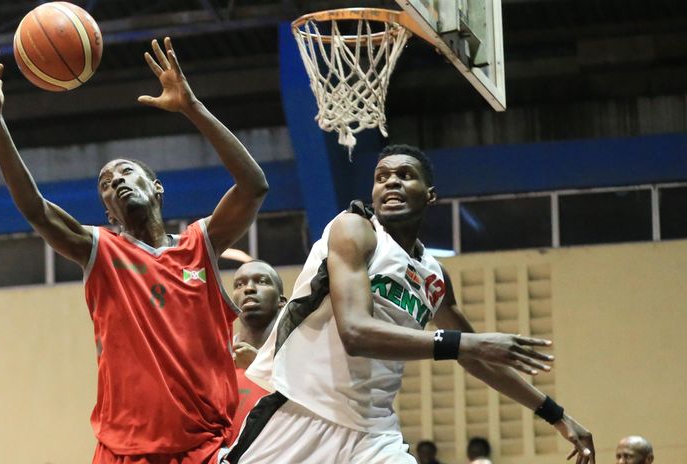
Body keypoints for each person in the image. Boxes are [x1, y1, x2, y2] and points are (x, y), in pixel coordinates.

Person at [0, 35, 268, 463]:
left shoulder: (199, 245)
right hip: (124, 453)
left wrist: (192, 107)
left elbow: (254, 186)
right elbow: (37, 211)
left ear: (156, 188)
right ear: (108, 212)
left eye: (127, 172)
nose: (115, 180)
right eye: (105, 183)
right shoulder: (100, 250)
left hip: (203, 449)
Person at [225, 145, 595, 464]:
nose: (391, 182)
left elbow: (476, 358)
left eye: (405, 175)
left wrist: (557, 416)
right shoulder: (355, 230)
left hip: (372, 434)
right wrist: (467, 343)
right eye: (382, 176)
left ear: (429, 194)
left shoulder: (434, 277)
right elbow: (355, 332)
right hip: (299, 412)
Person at [229, 260, 287, 440]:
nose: (249, 289)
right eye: (240, 284)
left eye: (261, 281)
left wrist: (258, 366)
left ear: (281, 301)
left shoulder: (295, 354)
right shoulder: (215, 357)